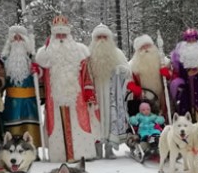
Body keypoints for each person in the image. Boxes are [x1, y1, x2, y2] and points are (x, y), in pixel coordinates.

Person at [34, 15, 97, 163]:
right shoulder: (45, 53)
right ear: (53, 35)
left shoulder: (79, 51)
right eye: (58, 35)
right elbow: (42, 74)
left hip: (77, 97)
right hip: (54, 99)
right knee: (56, 124)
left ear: (69, 35)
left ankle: (82, 153)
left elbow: (86, 74)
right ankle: (61, 154)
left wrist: (89, 93)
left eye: (64, 34)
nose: (61, 38)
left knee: (79, 122)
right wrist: (37, 71)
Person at [88, 23, 131, 159]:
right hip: (96, 94)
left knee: (111, 119)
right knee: (96, 120)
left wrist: (122, 70)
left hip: (112, 94)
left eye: (104, 37)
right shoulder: (89, 54)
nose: (101, 40)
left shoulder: (117, 53)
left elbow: (128, 70)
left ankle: (109, 148)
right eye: (98, 37)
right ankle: (97, 148)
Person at [1, 25, 42, 149]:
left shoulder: (32, 57)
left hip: (30, 99)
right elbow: (0, 76)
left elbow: (40, 77)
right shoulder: (4, 59)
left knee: (30, 123)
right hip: (12, 99)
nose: (18, 41)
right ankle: (13, 148)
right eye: (15, 38)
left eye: (20, 38)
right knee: (13, 123)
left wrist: (38, 71)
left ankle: (32, 148)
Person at [127, 34, 170, 118]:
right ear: (138, 51)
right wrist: (134, 88)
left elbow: (171, 76)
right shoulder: (132, 65)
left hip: (161, 96)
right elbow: (128, 82)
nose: (146, 49)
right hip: (143, 97)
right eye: (142, 47)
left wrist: (167, 74)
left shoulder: (162, 60)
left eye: (148, 46)